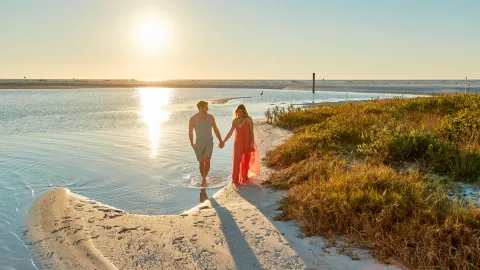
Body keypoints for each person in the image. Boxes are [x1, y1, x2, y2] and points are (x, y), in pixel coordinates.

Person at [221, 104, 260, 185]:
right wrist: (224, 141)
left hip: (247, 141)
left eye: (241, 112)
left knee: (246, 160)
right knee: (236, 161)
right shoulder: (235, 121)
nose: (240, 113)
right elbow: (230, 132)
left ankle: (244, 177)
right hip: (238, 143)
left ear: (244, 112)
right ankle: (235, 180)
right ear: (236, 112)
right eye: (238, 112)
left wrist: (252, 141)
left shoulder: (248, 119)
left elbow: (251, 131)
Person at [189, 101, 223, 187]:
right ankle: (203, 177)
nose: (208, 109)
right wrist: (192, 143)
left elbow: (215, 129)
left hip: (209, 142)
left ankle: (204, 179)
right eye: (206, 107)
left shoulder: (211, 117)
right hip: (199, 143)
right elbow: (190, 132)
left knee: (207, 160)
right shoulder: (192, 119)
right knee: (201, 163)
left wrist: (220, 140)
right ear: (200, 107)